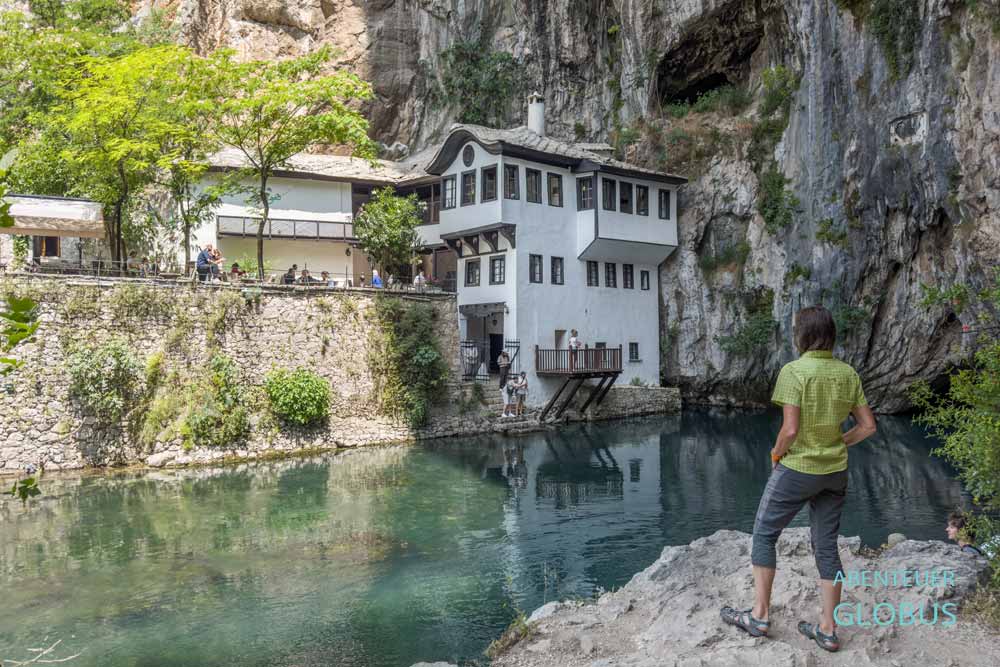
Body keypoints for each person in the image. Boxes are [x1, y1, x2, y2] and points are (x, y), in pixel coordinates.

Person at [720, 306, 877, 653]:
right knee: (826, 546)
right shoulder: (847, 373)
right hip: (835, 471)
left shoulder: (794, 371)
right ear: (831, 335)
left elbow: (790, 430)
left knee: (764, 534)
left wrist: (776, 454)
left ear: (802, 335)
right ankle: (828, 629)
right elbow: (868, 427)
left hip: (798, 469)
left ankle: (759, 616)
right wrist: (838, 442)